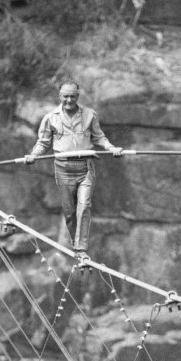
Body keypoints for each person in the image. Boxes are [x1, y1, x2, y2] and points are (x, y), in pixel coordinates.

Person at [21, 82, 123, 263]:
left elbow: (99, 137)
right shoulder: (50, 118)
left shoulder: (90, 115)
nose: (69, 100)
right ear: (60, 96)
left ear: (78, 96)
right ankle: (74, 245)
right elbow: (43, 143)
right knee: (69, 212)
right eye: (65, 96)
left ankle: (80, 248)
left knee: (84, 206)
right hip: (64, 169)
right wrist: (33, 155)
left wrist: (112, 148)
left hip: (86, 167)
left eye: (72, 96)